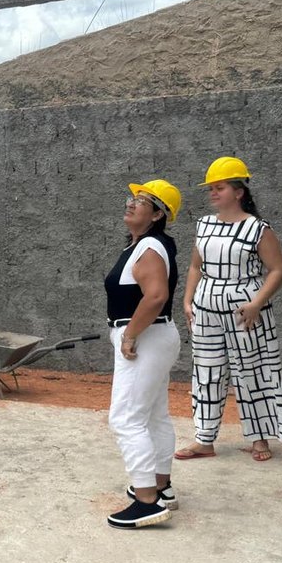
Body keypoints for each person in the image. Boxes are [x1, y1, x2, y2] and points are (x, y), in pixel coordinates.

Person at [176, 157, 282, 462]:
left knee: (251, 369)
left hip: (244, 306)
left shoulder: (257, 228)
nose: (213, 193)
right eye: (211, 188)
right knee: (206, 371)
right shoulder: (204, 225)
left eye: (220, 187)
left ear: (238, 192)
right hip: (206, 305)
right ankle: (204, 439)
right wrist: (187, 301)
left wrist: (256, 303)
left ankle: (259, 438)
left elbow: (277, 269)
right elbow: (195, 266)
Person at [104, 179, 182, 530]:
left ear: (158, 213)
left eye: (143, 200)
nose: (132, 204)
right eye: (132, 198)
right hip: (156, 335)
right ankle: (161, 487)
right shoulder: (146, 245)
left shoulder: (150, 246)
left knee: (126, 419)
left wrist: (130, 335)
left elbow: (155, 297)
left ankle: (146, 500)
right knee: (154, 415)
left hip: (145, 336)